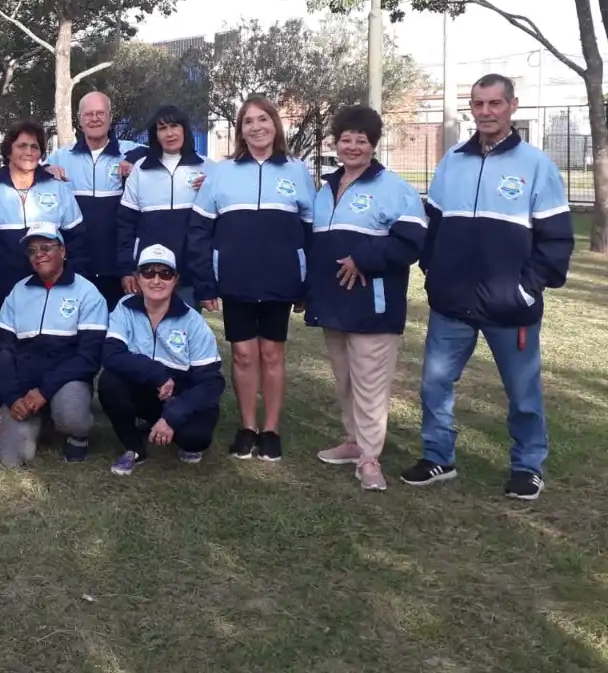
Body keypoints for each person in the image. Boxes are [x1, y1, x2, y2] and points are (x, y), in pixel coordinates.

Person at [401, 74, 572, 501]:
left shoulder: (536, 166)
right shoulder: (451, 162)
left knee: (523, 395)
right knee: (433, 386)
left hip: (510, 308)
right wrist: (434, 271)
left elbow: (556, 241)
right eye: (478, 104)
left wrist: (526, 290)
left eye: (495, 103)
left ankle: (527, 465)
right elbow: (433, 228)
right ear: (471, 108)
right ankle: (438, 456)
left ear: (512, 106)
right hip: (451, 303)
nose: (486, 112)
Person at [305, 106, 426, 492]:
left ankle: (370, 458)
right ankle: (354, 441)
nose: (353, 146)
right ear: (335, 143)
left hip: (374, 307)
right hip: (333, 306)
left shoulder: (394, 189)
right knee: (345, 381)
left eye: (362, 140)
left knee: (371, 384)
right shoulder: (324, 190)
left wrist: (365, 258)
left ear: (373, 145)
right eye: (346, 139)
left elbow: (412, 242)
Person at [188, 95, 314, 462]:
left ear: (276, 124)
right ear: (240, 130)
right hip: (235, 279)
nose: (257, 127)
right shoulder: (221, 172)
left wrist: (307, 283)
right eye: (248, 121)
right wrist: (205, 283)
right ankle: (247, 428)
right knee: (243, 355)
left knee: (272, 353)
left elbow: (310, 231)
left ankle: (270, 430)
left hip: (280, 279)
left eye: (263, 119)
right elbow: (199, 231)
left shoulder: (296, 170)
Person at [0, 119, 86, 438]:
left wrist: (71, 278)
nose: (28, 151)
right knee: (5, 348)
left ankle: (53, 406)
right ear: (8, 150)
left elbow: (77, 237)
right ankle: (3, 409)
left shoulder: (56, 187)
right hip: (5, 288)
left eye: (35, 146)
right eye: (22, 145)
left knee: (51, 345)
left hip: (52, 288)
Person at [98, 244, 225, 476]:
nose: (156, 280)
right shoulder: (124, 308)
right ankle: (135, 448)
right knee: (109, 382)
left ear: (175, 280)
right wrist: (157, 372)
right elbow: (111, 354)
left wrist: (173, 416)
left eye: (165, 273)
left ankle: (170, 426)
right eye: (148, 272)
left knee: (194, 440)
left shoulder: (193, 320)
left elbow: (212, 383)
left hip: (183, 393)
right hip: (148, 387)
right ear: (137, 278)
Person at [0, 223, 107, 466]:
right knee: (12, 459)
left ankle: (78, 435)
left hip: (66, 382)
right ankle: (42, 421)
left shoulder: (87, 293)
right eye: (33, 250)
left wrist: (45, 391)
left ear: (63, 251)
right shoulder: (18, 291)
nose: (39, 254)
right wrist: (13, 398)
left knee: (70, 414)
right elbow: (2, 350)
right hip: (25, 387)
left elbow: (89, 358)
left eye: (46, 247)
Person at [48, 91, 144, 310]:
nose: (94, 118)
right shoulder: (61, 157)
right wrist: (46, 170)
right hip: (76, 264)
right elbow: (28, 170)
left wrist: (133, 160)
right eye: (88, 114)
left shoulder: (129, 151)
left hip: (118, 267)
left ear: (110, 117)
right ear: (79, 119)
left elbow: (164, 152)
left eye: (100, 113)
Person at [117, 105, 208, 306]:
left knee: (183, 335)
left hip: (189, 274)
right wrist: (126, 269)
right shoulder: (140, 170)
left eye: (174, 126)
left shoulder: (207, 168)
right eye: (162, 128)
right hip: (148, 273)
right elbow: (125, 225)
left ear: (184, 129)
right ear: (155, 134)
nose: (169, 133)